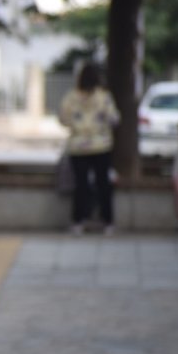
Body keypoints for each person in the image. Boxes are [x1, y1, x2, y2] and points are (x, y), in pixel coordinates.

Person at [58, 61, 120, 235]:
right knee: (103, 184)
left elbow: (63, 119)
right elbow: (114, 119)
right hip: (102, 145)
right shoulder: (104, 97)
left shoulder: (71, 97)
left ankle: (78, 220)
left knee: (81, 185)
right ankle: (108, 221)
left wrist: (78, 127)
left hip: (78, 147)